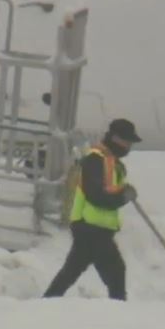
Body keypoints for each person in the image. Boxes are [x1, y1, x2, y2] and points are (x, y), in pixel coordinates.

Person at [43, 118, 141, 301]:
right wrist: (123, 197)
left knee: (72, 271)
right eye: (126, 141)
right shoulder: (96, 160)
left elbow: (108, 190)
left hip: (93, 227)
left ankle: (47, 302)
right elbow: (96, 196)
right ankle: (119, 307)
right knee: (116, 271)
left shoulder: (111, 161)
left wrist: (124, 192)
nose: (128, 146)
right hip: (91, 227)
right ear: (114, 138)